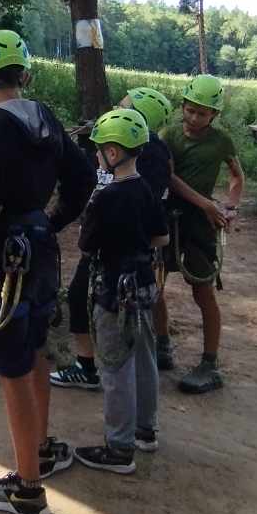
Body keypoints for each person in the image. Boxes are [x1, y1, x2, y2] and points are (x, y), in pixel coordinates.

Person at [0, 30, 94, 514]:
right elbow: (82, 178)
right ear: (26, 76)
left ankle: (27, 488)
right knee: (34, 349)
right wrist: (51, 221)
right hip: (40, 251)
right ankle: (39, 448)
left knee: (12, 365)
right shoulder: (48, 121)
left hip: (3, 259)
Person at [52, 87, 174, 392]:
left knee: (88, 298)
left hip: (113, 250)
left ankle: (90, 367)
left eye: (124, 106)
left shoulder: (150, 158)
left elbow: (141, 210)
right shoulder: (134, 154)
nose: (116, 109)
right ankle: (116, 365)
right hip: (121, 248)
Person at [73, 109, 170, 474]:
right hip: (144, 284)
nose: (97, 157)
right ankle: (146, 430)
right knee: (144, 358)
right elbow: (161, 237)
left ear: (112, 153)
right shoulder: (146, 189)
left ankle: (119, 447)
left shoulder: (105, 197)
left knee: (115, 366)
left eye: (99, 151)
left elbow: (86, 244)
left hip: (114, 289)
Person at [152, 76, 245, 393]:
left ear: (214, 115)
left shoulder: (221, 141)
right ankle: (162, 344)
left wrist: (230, 206)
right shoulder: (169, 136)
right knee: (155, 285)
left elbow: (236, 176)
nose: (193, 118)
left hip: (199, 225)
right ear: (182, 106)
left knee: (203, 291)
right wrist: (205, 202)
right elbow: (167, 176)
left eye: (202, 113)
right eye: (190, 110)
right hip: (169, 216)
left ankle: (209, 362)